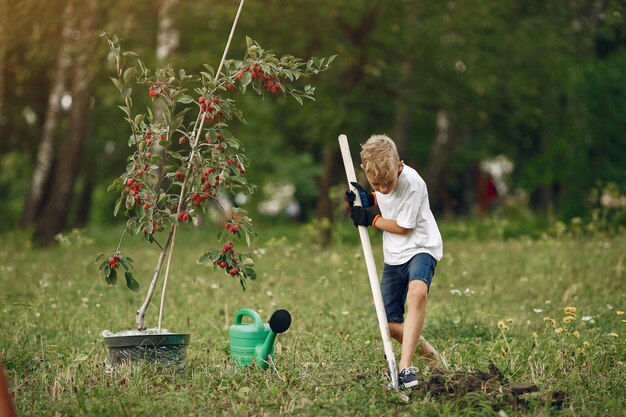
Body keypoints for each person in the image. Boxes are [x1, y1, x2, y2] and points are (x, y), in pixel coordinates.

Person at [346, 134, 443, 389]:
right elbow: (386, 198)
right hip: (394, 256)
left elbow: (402, 227)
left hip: (421, 247)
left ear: (399, 167)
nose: (384, 188)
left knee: (417, 293)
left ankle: (405, 367)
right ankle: (433, 358)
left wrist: (370, 219)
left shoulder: (412, 183)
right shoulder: (381, 184)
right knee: (389, 324)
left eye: (388, 182)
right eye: (376, 183)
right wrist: (368, 199)